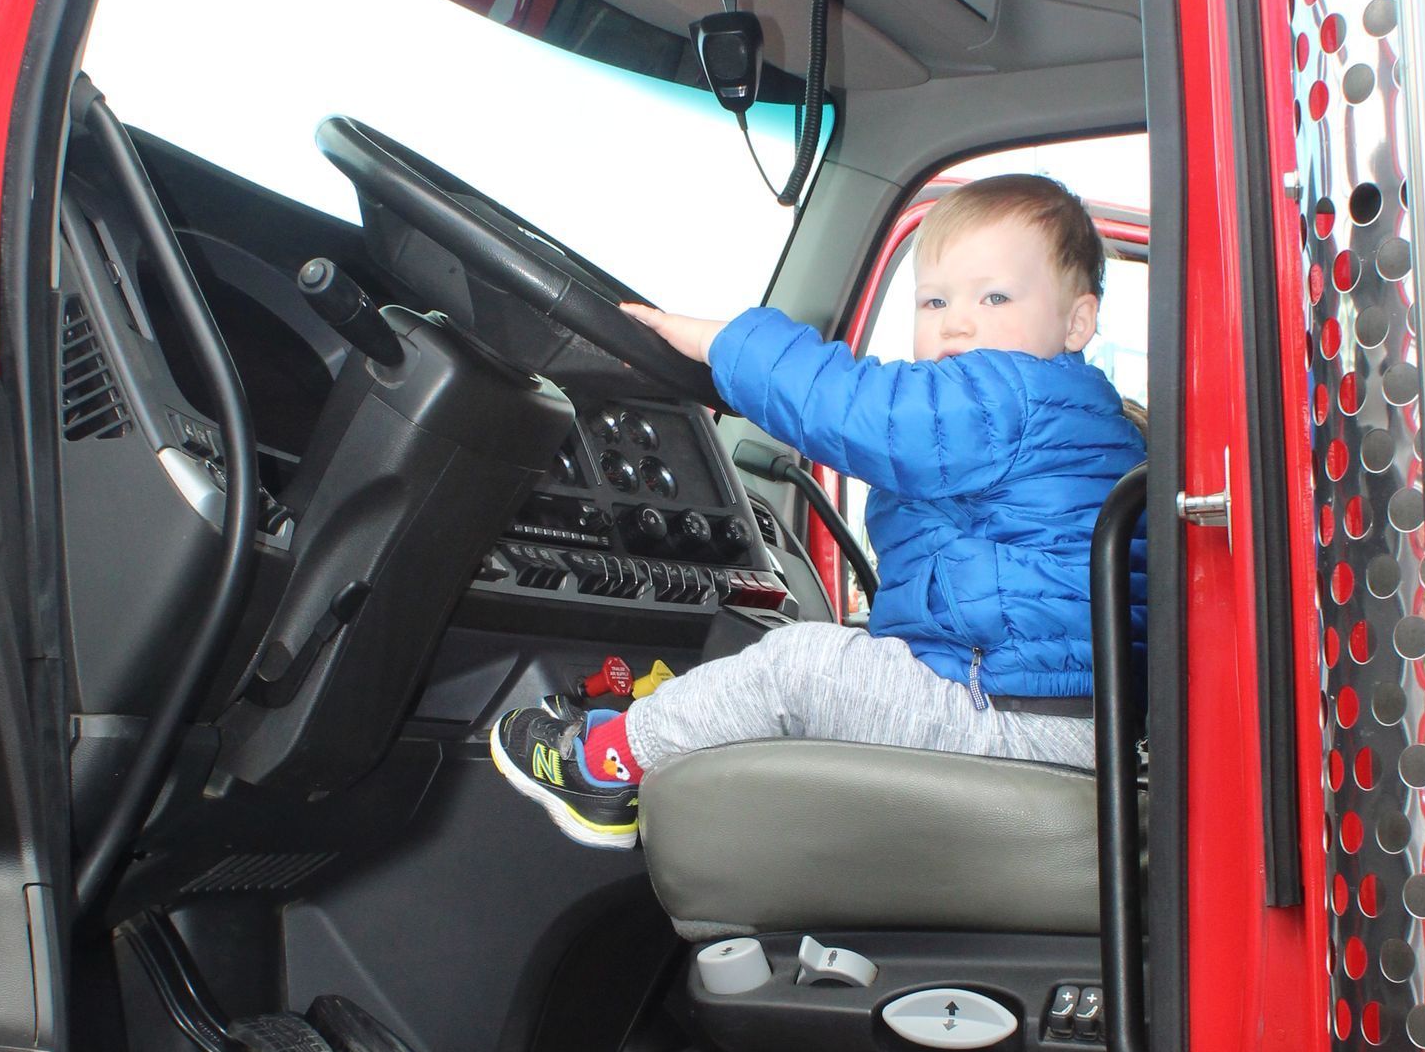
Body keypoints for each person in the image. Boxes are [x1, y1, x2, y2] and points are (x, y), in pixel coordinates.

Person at [490, 173, 1146, 848]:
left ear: (1078, 321)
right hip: (1061, 721)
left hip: (1012, 721)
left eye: (996, 296)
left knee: (800, 668)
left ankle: (602, 765)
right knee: (827, 663)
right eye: (934, 299)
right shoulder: (1076, 416)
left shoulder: (1011, 395)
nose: (957, 320)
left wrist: (722, 345)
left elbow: (866, 412)